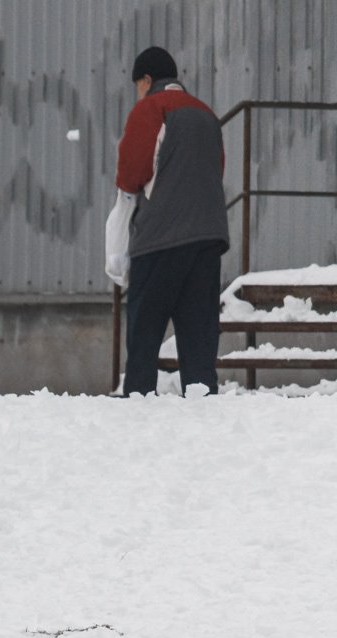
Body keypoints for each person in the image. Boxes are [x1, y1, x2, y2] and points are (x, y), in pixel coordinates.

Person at [116, 46, 230, 395]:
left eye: (138, 84)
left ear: (147, 79)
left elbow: (131, 173)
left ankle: (138, 400)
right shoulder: (206, 113)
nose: (137, 91)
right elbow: (217, 168)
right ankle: (200, 399)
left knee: (145, 330)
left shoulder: (150, 109)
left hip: (162, 237)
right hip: (209, 235)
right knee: (198, 331)